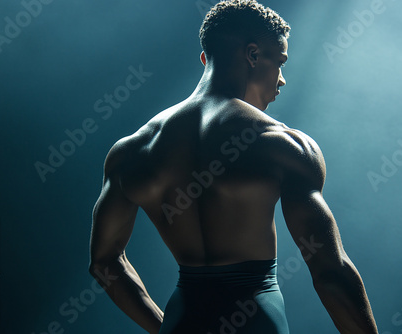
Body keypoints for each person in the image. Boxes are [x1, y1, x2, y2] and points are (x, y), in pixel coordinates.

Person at [89, 1, 379, 333]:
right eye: (280, 62)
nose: (281, 80)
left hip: (183, 320)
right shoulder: (281, 144)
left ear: (205, 59)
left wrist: (165, 329)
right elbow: (330, 272)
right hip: (257, 321)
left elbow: (104, 263)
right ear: (253, 55)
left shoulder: (133, 150)